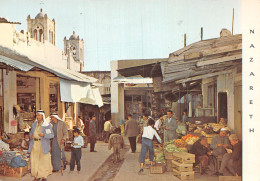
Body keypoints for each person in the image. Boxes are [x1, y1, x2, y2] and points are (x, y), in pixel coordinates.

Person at [28, 110, 54, 181]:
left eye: (39, 115)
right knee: (35, 160)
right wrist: (31, 136)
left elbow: (51, 135)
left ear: (43, 116)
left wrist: (44, 135)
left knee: (43, 161)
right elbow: (30, 134)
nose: (38, 117)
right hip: (34, 144)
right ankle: (37, 176)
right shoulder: (34, 124)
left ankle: (44, 176)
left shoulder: (47, 125)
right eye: (37, 115)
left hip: (43, 145)